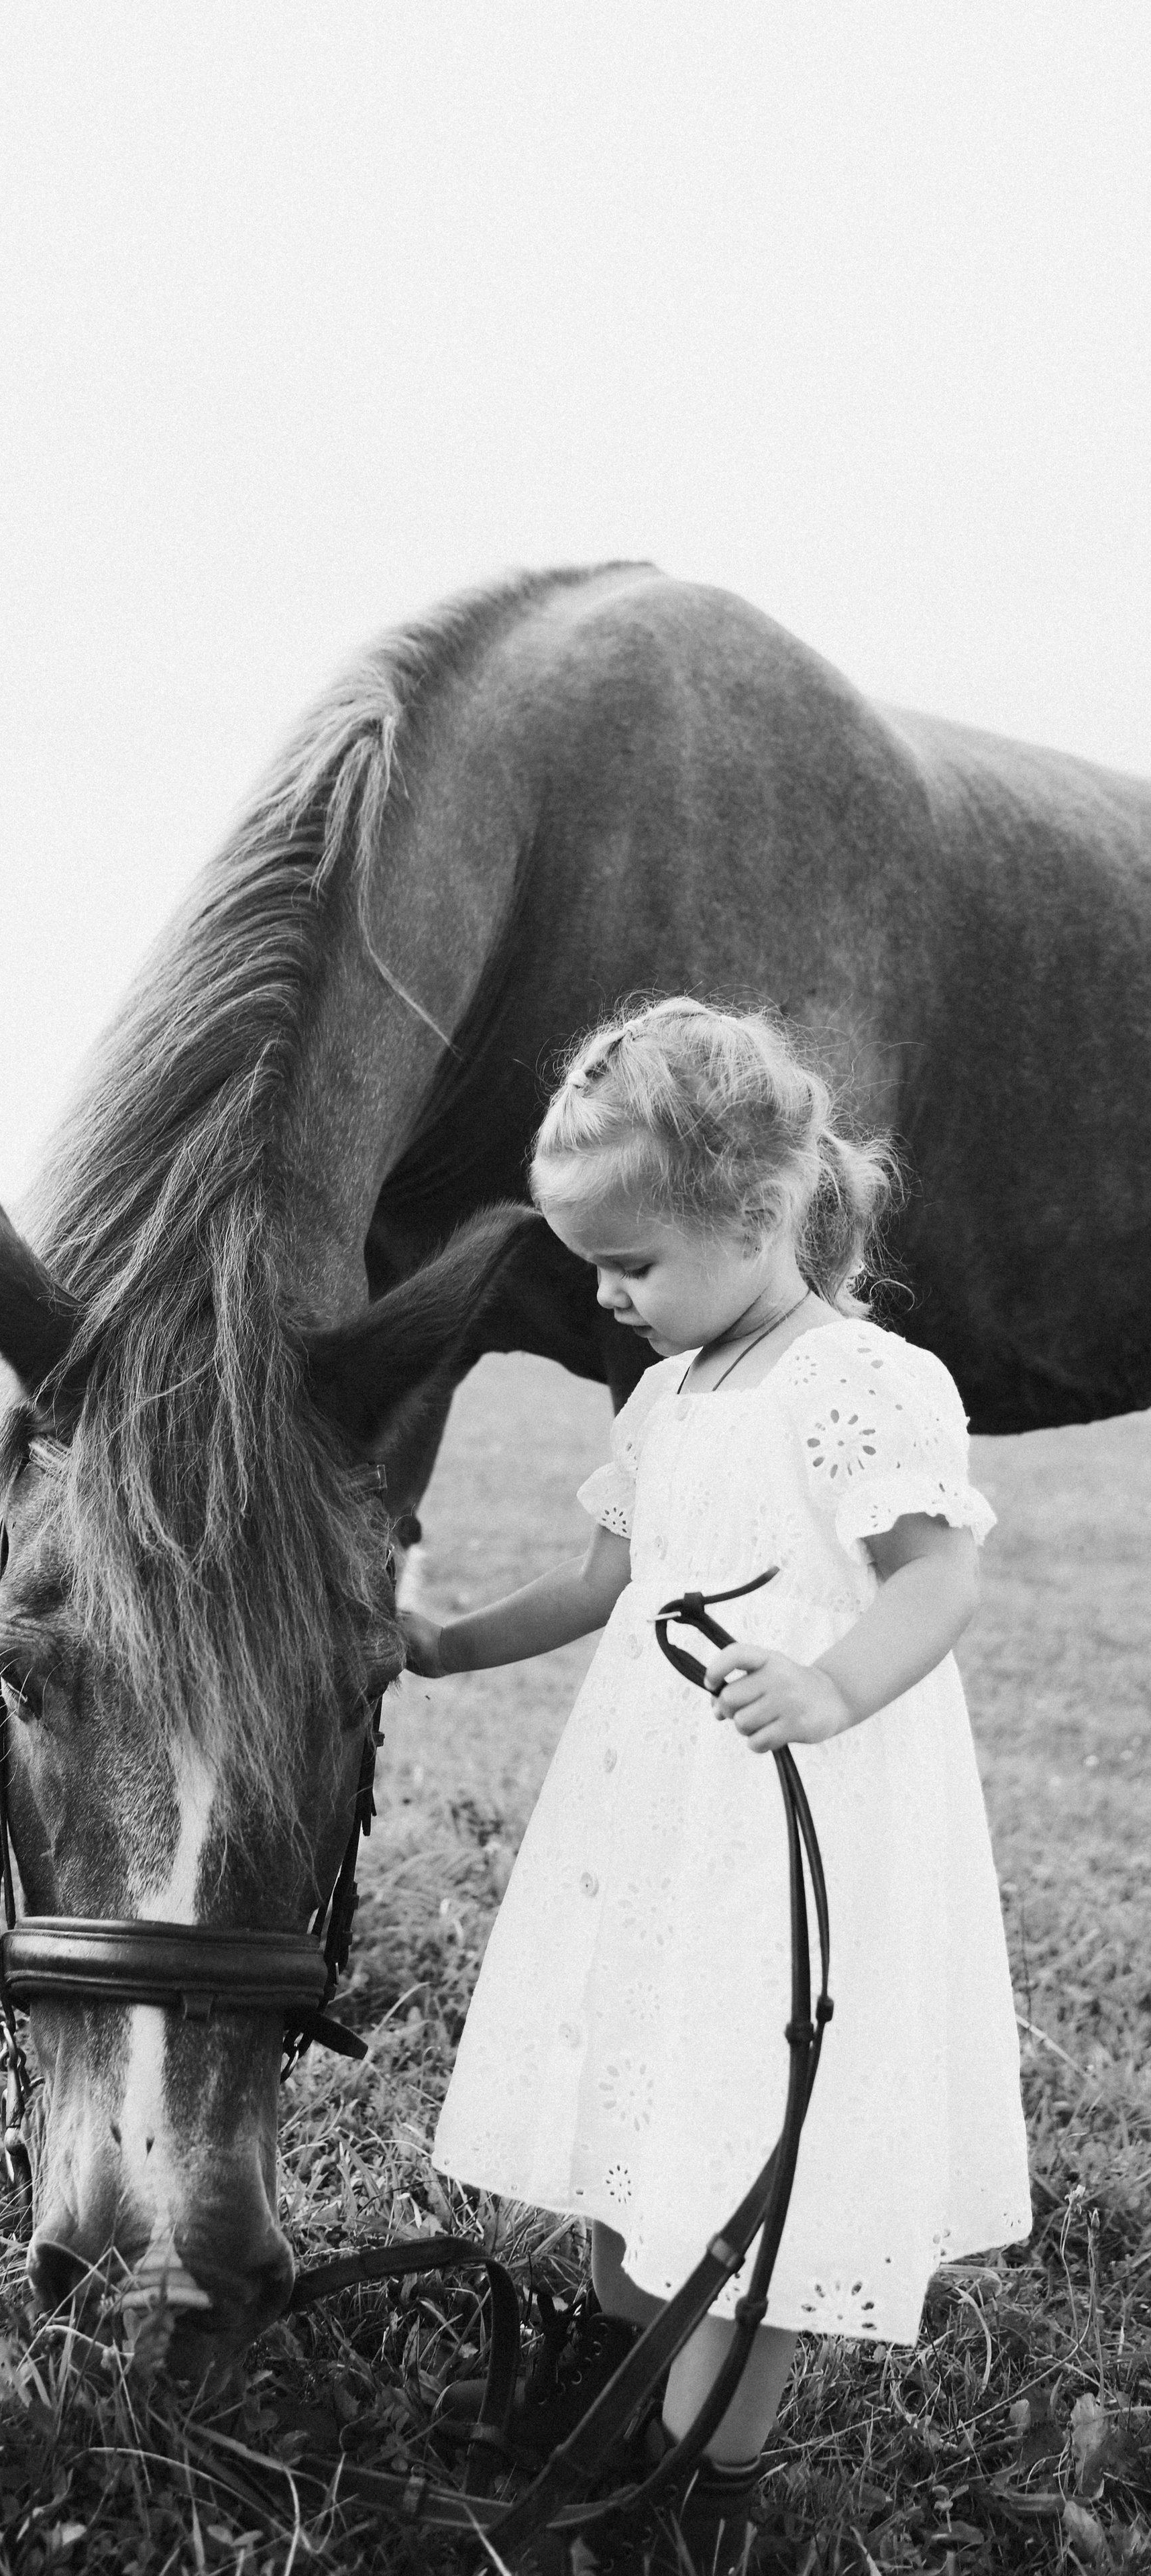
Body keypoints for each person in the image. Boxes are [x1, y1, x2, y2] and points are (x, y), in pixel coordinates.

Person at [403, 997, 1030, 2573]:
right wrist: (446, 1644)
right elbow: (606, 1584)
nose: (607, 1302)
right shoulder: (666, 1393)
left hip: (789, 1823)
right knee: (647, 2109)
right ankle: (625, 2409)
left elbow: (934, 1581)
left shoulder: (860, 1383)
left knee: (764, 2156)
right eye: (592, 1270)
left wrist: (826, 1684)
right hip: (657, 1829)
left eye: (631, 1266)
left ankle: (699, 2503)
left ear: (758, 1215)